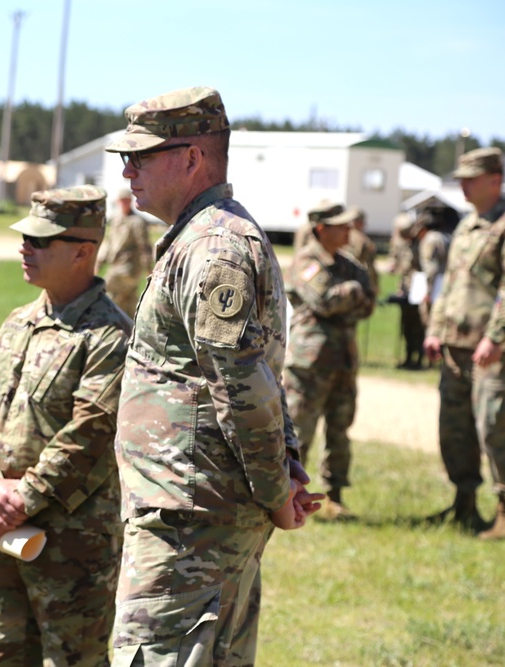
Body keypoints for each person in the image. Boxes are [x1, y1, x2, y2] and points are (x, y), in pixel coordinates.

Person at [104, 86, 323, 666]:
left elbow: (244, 388)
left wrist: (278, 490)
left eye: (142, 156)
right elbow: (257, 374)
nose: (127, 171)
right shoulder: (202, 238)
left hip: (191, 520)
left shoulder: (215, 246)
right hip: (193, 510)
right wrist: (285, 468)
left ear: (192, 158)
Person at [0, 185, 131, 666]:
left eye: (41, 241)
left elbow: (91, 433)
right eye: (25, 238)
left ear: (83, 250)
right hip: (3, 536)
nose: (25, 248)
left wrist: (21, 499)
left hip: (71, 549)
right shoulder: (17, 324)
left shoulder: (109, 336)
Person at [424, 146, 505, 538]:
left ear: (495, 179)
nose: (462, 185)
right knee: (454, 428)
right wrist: (433, 329)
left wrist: (496, 337)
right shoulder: (466, 225)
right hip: (455, 345)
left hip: (493, 351)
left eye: (470, 178)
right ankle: (463, 502)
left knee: (495, 427)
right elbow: (450, 286)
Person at [284, 202, 376, 520]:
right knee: (298, 431)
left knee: (340, 428)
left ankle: (334, 496)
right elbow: (323, 301)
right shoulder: (306, 262)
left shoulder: (348, 263)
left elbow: (369, 304)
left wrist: (348, 294)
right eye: (342, 225)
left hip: (343, 360)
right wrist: (352, 291)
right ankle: (288, 495)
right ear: (322, 229)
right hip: (310, 362)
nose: (350, 230)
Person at [96, 188, 153, 316]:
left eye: (127, 201)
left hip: (128, 267)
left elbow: (144, 246)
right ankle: (130, 327)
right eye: (122, 201)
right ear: (117, 202)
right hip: (116, 264)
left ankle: (109, 322)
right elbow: (109, 243)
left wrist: (148, 268)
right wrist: (99, 263)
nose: (124, 203)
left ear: (131, 201)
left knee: (105, 292)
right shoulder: (116, 220)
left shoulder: (137, 222)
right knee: (128, 299)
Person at [387, 212, 425, 368]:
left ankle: (420, 359)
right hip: (405, 289)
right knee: (406, 326)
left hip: (420, 289)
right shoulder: (399, 244)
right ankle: (408, 357)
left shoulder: (422, 243)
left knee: (419, 326)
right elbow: (396, 262)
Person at [413, 203, 456, 326]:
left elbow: (431, 269)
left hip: (435, 293)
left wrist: (427, 293)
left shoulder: (430, 240)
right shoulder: (447, 237)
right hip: (449, 290)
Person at [343, 207, 379, 296]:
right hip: (361, 282)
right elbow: (369, 265)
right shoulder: (363, 240)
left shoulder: (341, 237)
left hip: (344, 282)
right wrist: (374, 284)